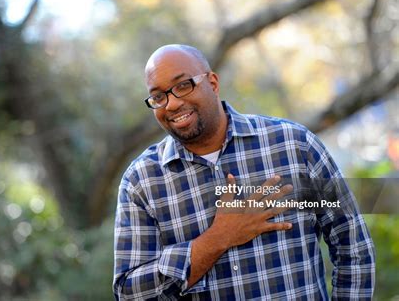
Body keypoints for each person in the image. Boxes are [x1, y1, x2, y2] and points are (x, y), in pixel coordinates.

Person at [113, 44, 375, 300]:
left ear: (213, 83)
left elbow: (352, 244)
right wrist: (215, 240)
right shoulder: (142, 181)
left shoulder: (294, 146)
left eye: (183, 85)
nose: (171, 104)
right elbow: (129, 293)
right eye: (158, 96)